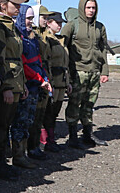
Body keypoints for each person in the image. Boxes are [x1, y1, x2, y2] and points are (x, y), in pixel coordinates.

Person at [0, 0, 29, 181]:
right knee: (0, 126)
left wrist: (23, 84)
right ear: (3, 5)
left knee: (6, 125)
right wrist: (6, 87)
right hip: (7, 83)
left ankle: (2, 164)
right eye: (15, 3)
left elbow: (17, 58)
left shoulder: (8, 24)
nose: (19, 7)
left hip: (15, 80)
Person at [61, 0, 109, 149]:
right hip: (78, 72)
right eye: (88, 8)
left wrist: (105, 70)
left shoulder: (100, 27)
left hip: (94, 72)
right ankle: (73, 136)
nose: (91, 11)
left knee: (89, 104)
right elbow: (62, 48)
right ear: (82, 8)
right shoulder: (71, 26)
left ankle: (88, 135)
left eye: (93, 8)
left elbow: (103, 49)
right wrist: (66, 71)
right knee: (74, 104)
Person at [9, 5, 52, 169]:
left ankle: (26, 152)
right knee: (20, 122)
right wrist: (39, 78)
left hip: (36, 85)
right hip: (25, 85)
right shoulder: (18, 37)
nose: (31, 22)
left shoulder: (32, 38)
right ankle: (18, 156)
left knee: (29, 121)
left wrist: (44, 77)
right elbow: (23, 63)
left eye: (32, 18)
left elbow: (38, 60)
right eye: (28, 18)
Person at [40, 11, 72, 152]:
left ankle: (51, 140)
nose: (59, 25)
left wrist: (68, 82)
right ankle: (45, 141)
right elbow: (47, 62)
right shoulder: (46, 39)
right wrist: (49, 81)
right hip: (52, 81)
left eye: (61, 23)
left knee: (55, 112)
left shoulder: (60, 40)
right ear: (48, 23)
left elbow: (66, 63)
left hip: (62, 81)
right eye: (56, 23)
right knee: (47, 112)